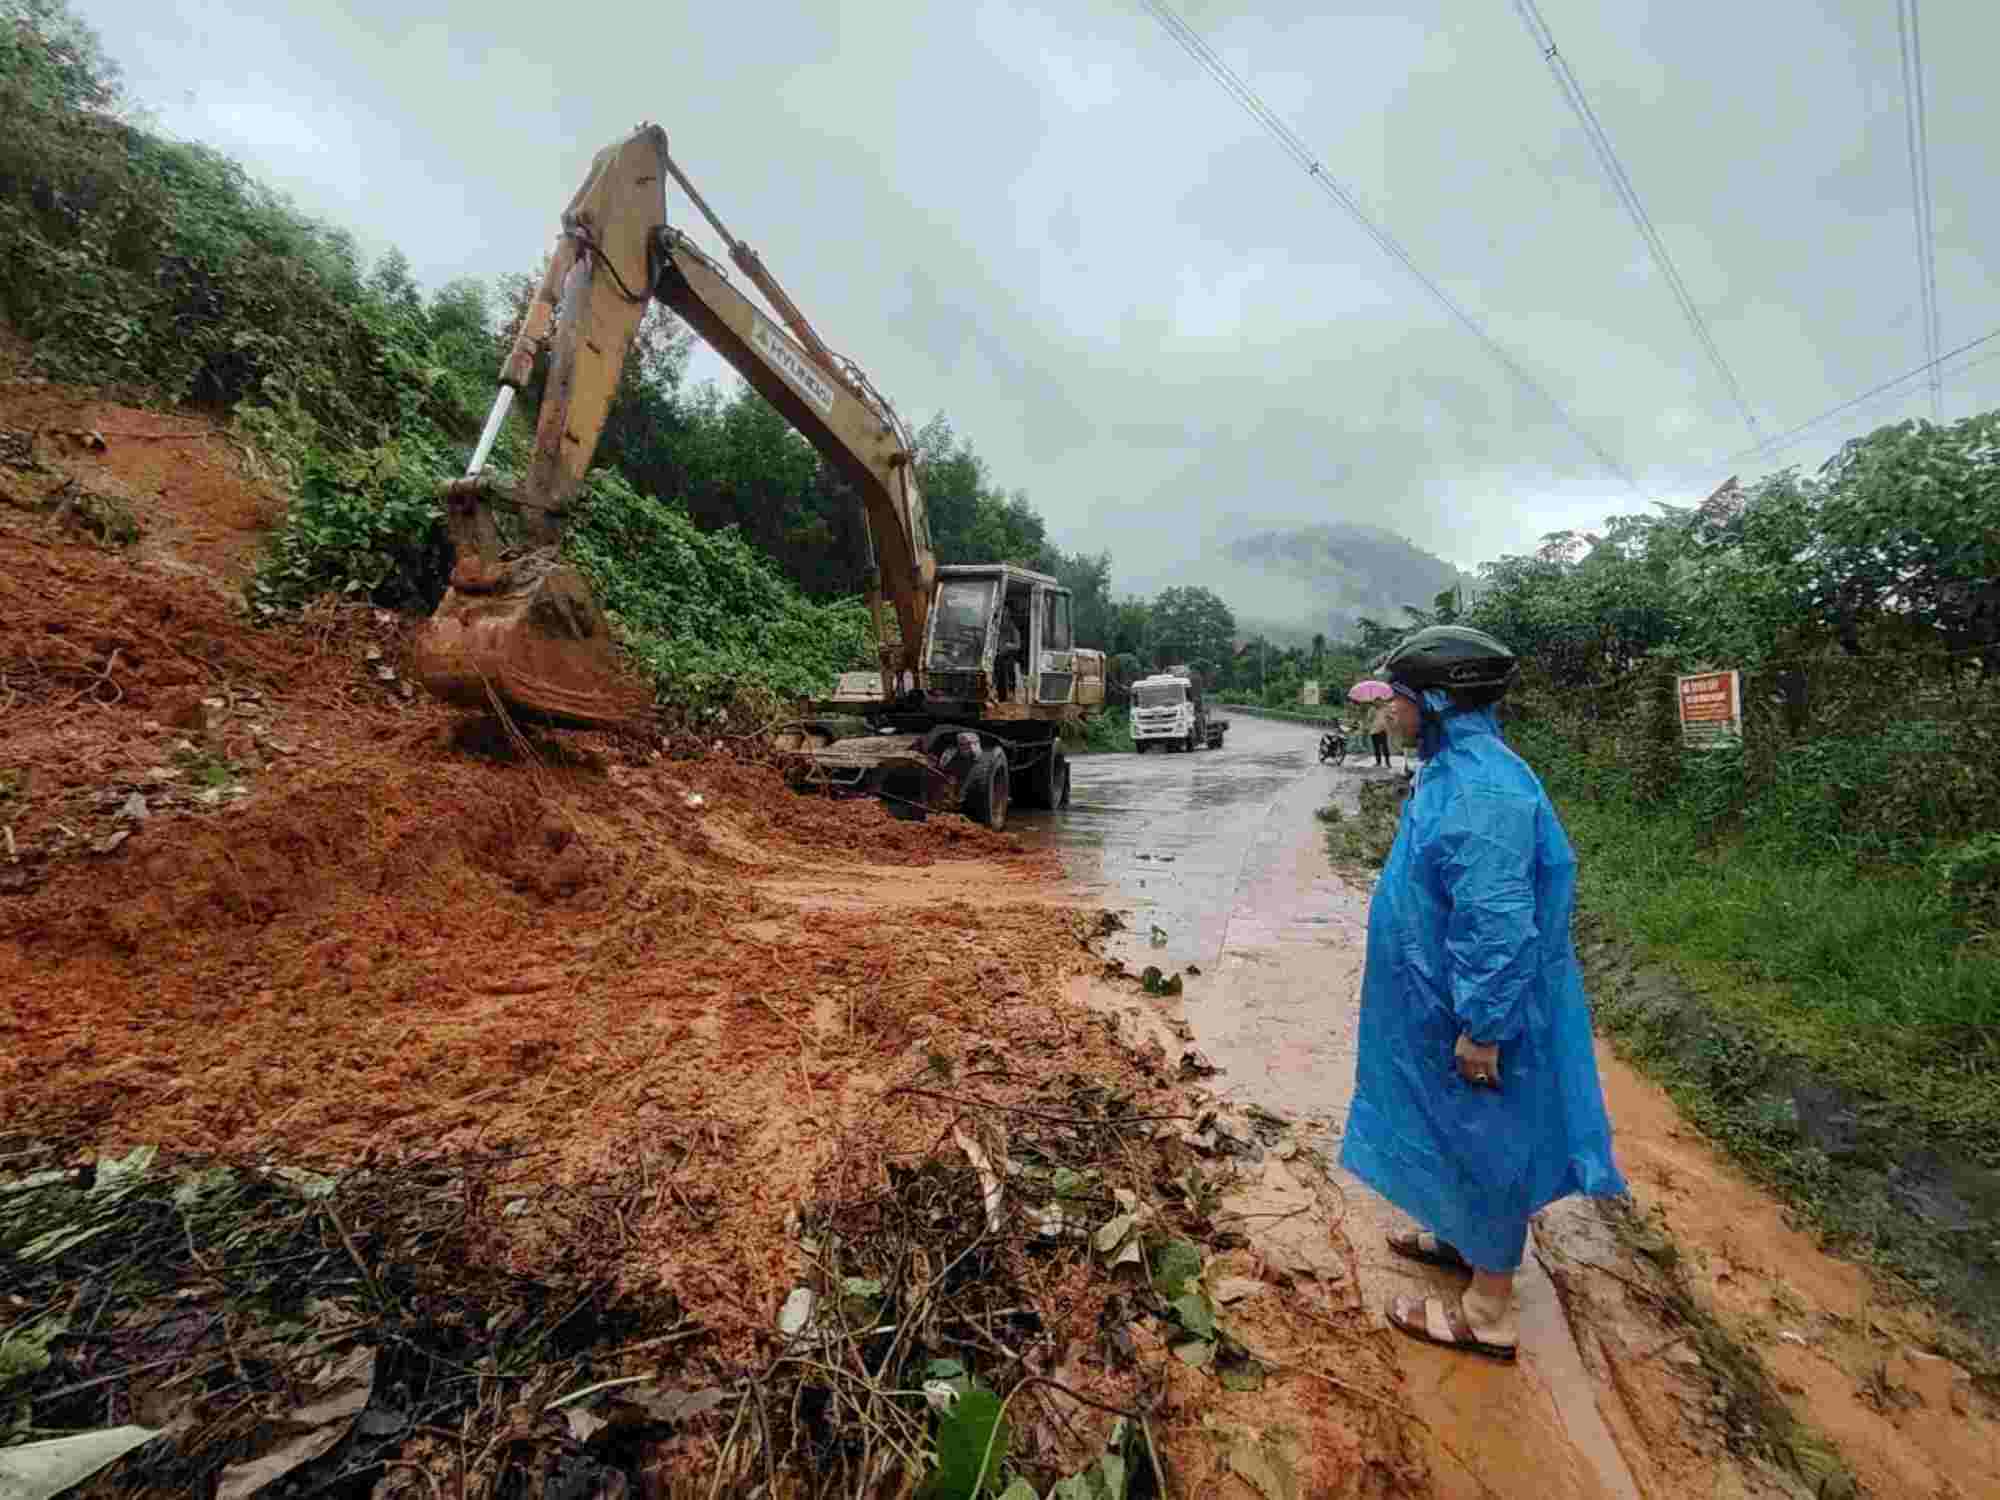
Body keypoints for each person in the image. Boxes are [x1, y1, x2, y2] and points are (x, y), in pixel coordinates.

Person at [1338, 625, 1625, 1363]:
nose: (1385, 715)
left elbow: (1497, 922)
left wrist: (1484, 1027)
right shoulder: (1454, 768)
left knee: (1485, 1131)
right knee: (1453, 1124)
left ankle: (1488, 1311)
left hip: (1474, 1009)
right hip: (1445, 997)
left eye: (1395, 700)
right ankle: (1466, 1234)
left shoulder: (1483, 788)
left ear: (1434, 701)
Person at [1368, 696, 1395, 767]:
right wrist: (1372, 713)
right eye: (1376, 702)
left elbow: (1390, 716)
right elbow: (1369, 719)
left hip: (1383, 730)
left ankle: (1388, 762)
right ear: (1374, 703)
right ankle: (1378, 762)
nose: (1378, 703)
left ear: (1381, 702)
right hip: (1374, 731)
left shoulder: (1385, 709)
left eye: (1379, 701)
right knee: (1376, 748)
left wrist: (1391, 717)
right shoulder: (1371, 709)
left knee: (1385, 747)